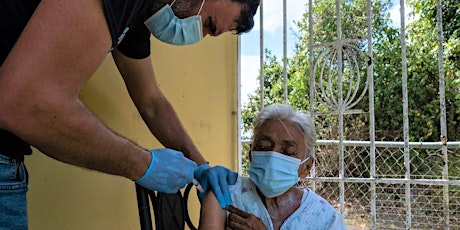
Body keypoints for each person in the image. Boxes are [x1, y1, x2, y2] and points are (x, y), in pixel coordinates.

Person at [0, 0, 259, 228]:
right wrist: (144, 165)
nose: (198, 35)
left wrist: (201, 166)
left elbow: (151, 102)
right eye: (209, 24)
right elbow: (25, 103)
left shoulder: (139, 15)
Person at [198, 104, 347, 230]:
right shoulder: (225, 195)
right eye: (264, 147)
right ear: (250, 154)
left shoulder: (326, 219)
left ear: (306, 167)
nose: (272, 157)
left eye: (287, 152)